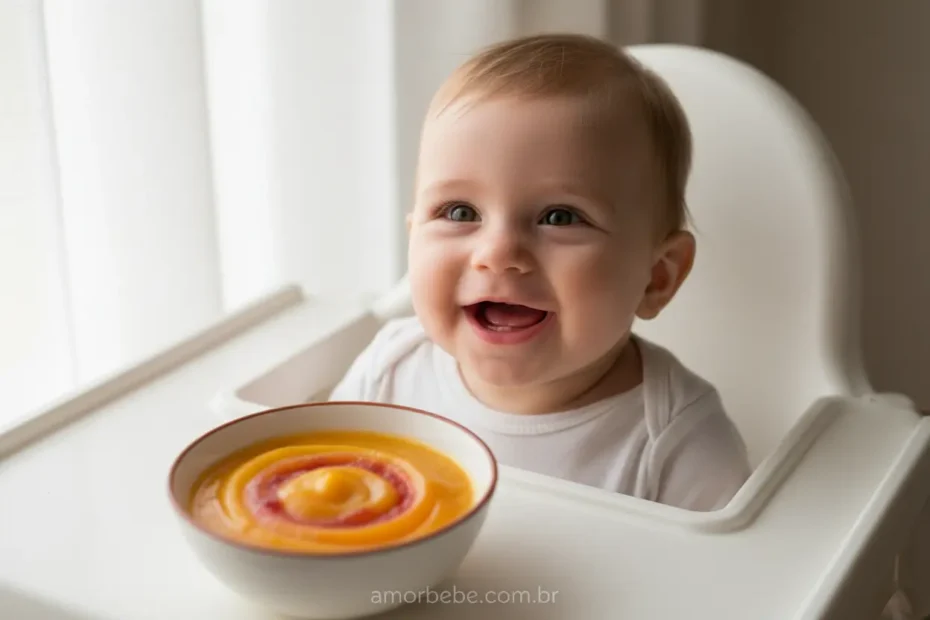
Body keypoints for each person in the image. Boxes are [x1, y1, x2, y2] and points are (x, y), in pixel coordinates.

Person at [329, 33, 751, 511]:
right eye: (461, 212)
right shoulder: (386, 374)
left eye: (561, 217)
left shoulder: (678, 442)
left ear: (657, 277)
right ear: (413, 236)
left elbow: (729, 581)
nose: (498, 252)